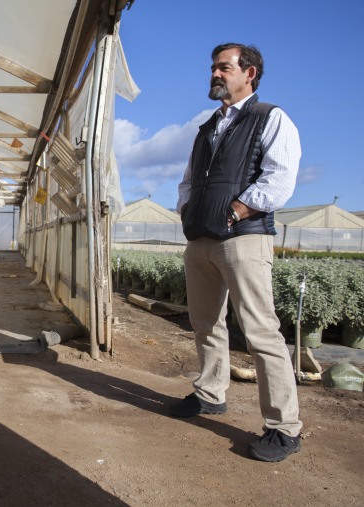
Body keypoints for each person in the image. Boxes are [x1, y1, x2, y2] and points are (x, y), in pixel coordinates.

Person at [171, 43, 302, 462]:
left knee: (261, 332)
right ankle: (210, 393)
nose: (215, 73)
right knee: (205, 322)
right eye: (213, 67)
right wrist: (187, 212)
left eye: (223, 67)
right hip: (201, 240)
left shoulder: (270, 118)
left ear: (250, 73)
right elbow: (189, 179)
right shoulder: (208, 126)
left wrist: (239, 208)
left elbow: (280, 176)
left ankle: (284, 427)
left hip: (244, 237)